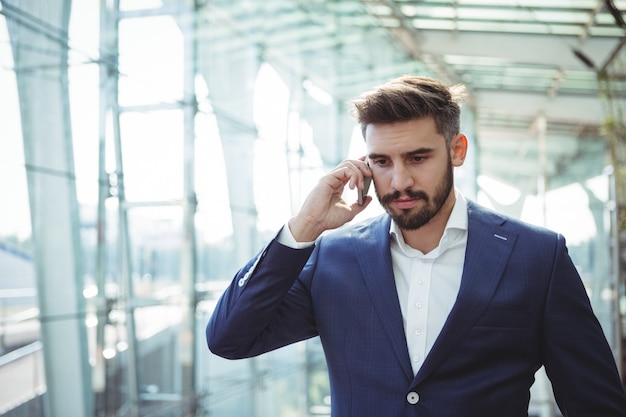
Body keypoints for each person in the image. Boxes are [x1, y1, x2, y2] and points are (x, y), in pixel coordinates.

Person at [206, 75, 626, 416]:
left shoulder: (537, 257)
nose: (400, 181)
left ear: (456, 150)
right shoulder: (332, 258)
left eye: (418, 158)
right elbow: (229, 338)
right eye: (382, 162)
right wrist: (304, 226)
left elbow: (595, 403)